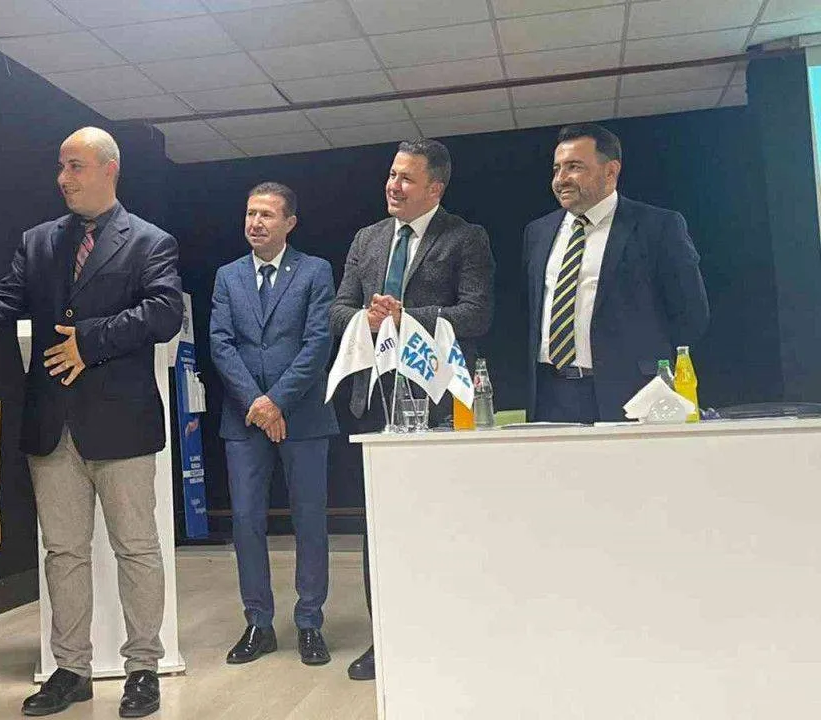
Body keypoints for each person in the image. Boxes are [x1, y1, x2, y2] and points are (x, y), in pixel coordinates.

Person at [0, 127, 183, 718]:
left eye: (76, 166)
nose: (63, 178)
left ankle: (143, 669)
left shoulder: (151, 242)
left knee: (137, 549)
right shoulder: (38, 242)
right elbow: (4, 299)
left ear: (110, 169)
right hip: (52, 424)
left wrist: (91, 340)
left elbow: (164, 313)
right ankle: (71, 670)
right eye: (61, 166)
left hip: (122, 426)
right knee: (63, 553)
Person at [328, 138, 494, 680]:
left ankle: (449, 637)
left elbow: (476, 315)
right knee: (379, 527)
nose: (393, 186)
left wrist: (407, 317)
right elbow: (337, 311)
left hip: (440, 404)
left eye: (406, 179)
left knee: (443, 522)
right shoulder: (367, 239)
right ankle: (385, 639)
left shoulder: (465, 237)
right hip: (374, 401)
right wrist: (369, 320)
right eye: (391, 175)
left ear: (435, 188)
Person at [209, 182, 338, 669]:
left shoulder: (315, 271)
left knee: (310, 520)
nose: (256, 223)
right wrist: (258, 404)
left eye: (266, 215)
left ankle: (309, 622)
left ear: (290, 223)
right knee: (246, 521)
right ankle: (258, 623)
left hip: (302, 415)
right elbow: (221, 344)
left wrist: (277, 401)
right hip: (245, 419)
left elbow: (317, 343)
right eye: (250, 214)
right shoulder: (227, 276)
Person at [523, 123, 709, 423]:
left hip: (632, 393)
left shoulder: (658, 227)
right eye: (557, 168)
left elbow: (691, 315)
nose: (561, 179)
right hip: (551, 394)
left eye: (574, 167)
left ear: (611, 171)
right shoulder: (538, 232)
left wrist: (647, 364)